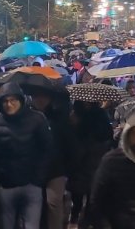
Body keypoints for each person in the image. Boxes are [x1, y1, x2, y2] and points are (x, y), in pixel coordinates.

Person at [0, 82, 53, 229]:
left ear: (21, 100)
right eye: (5, 101)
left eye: (13, 100)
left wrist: (38, 179)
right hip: (5, 185)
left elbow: (47, 149)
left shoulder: (37, 119)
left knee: (31, 225)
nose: (9, 104)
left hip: (31, 184)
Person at [27, 85, 77, 229]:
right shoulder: (28, 118)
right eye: (36, 96)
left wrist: (68, 169)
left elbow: (68, 145)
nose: (40, 100)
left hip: (55, 170)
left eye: (44, 97)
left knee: (53, 204)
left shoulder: (59, 118)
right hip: (33, 169)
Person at [68, 100, 114, 228]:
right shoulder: (80, 114)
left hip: (90, 158)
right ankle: (79, 218)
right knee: (83, 192)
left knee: (87, 192)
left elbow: (106, 134)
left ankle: (82, 220)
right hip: (86, 158)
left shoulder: (94, 114)